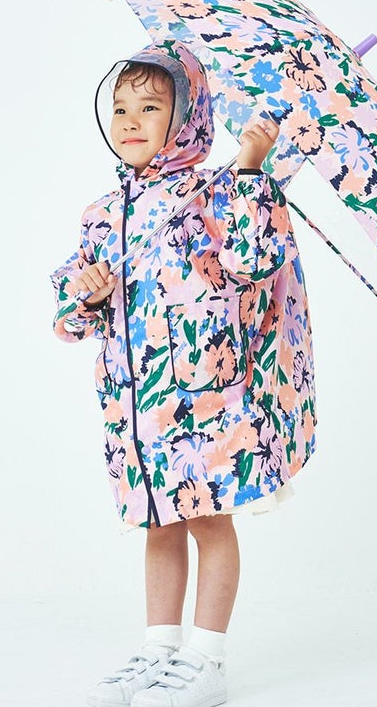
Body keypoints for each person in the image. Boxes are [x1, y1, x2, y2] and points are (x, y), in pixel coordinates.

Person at [49, 40, 317, 707]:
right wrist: (87, 293)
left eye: (150, 107)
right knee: (158, 523)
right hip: (134, 405)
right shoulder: (102, 214)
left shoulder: (214, 193)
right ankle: (159, 651)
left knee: (207, 520)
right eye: (120, 108)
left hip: (204, 396)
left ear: (190, 116)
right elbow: (69, 319)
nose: (130, 120)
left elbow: (254, 261)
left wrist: (250, 169)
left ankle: (207, 660)